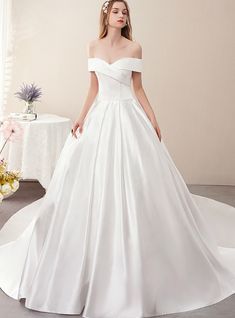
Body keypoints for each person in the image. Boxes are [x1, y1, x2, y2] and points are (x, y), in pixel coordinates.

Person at [0, 1, 235, 317]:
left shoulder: (134, 47)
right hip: (100, 118)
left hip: (128, 117)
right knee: (88, 185)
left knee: (135, 182)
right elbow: (93, 87)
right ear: (105, 15)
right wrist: (81, 117)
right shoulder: (92, 45)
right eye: (116, 11)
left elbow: (138, 88)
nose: (122, 16)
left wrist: (152, 118)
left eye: (125, 12)